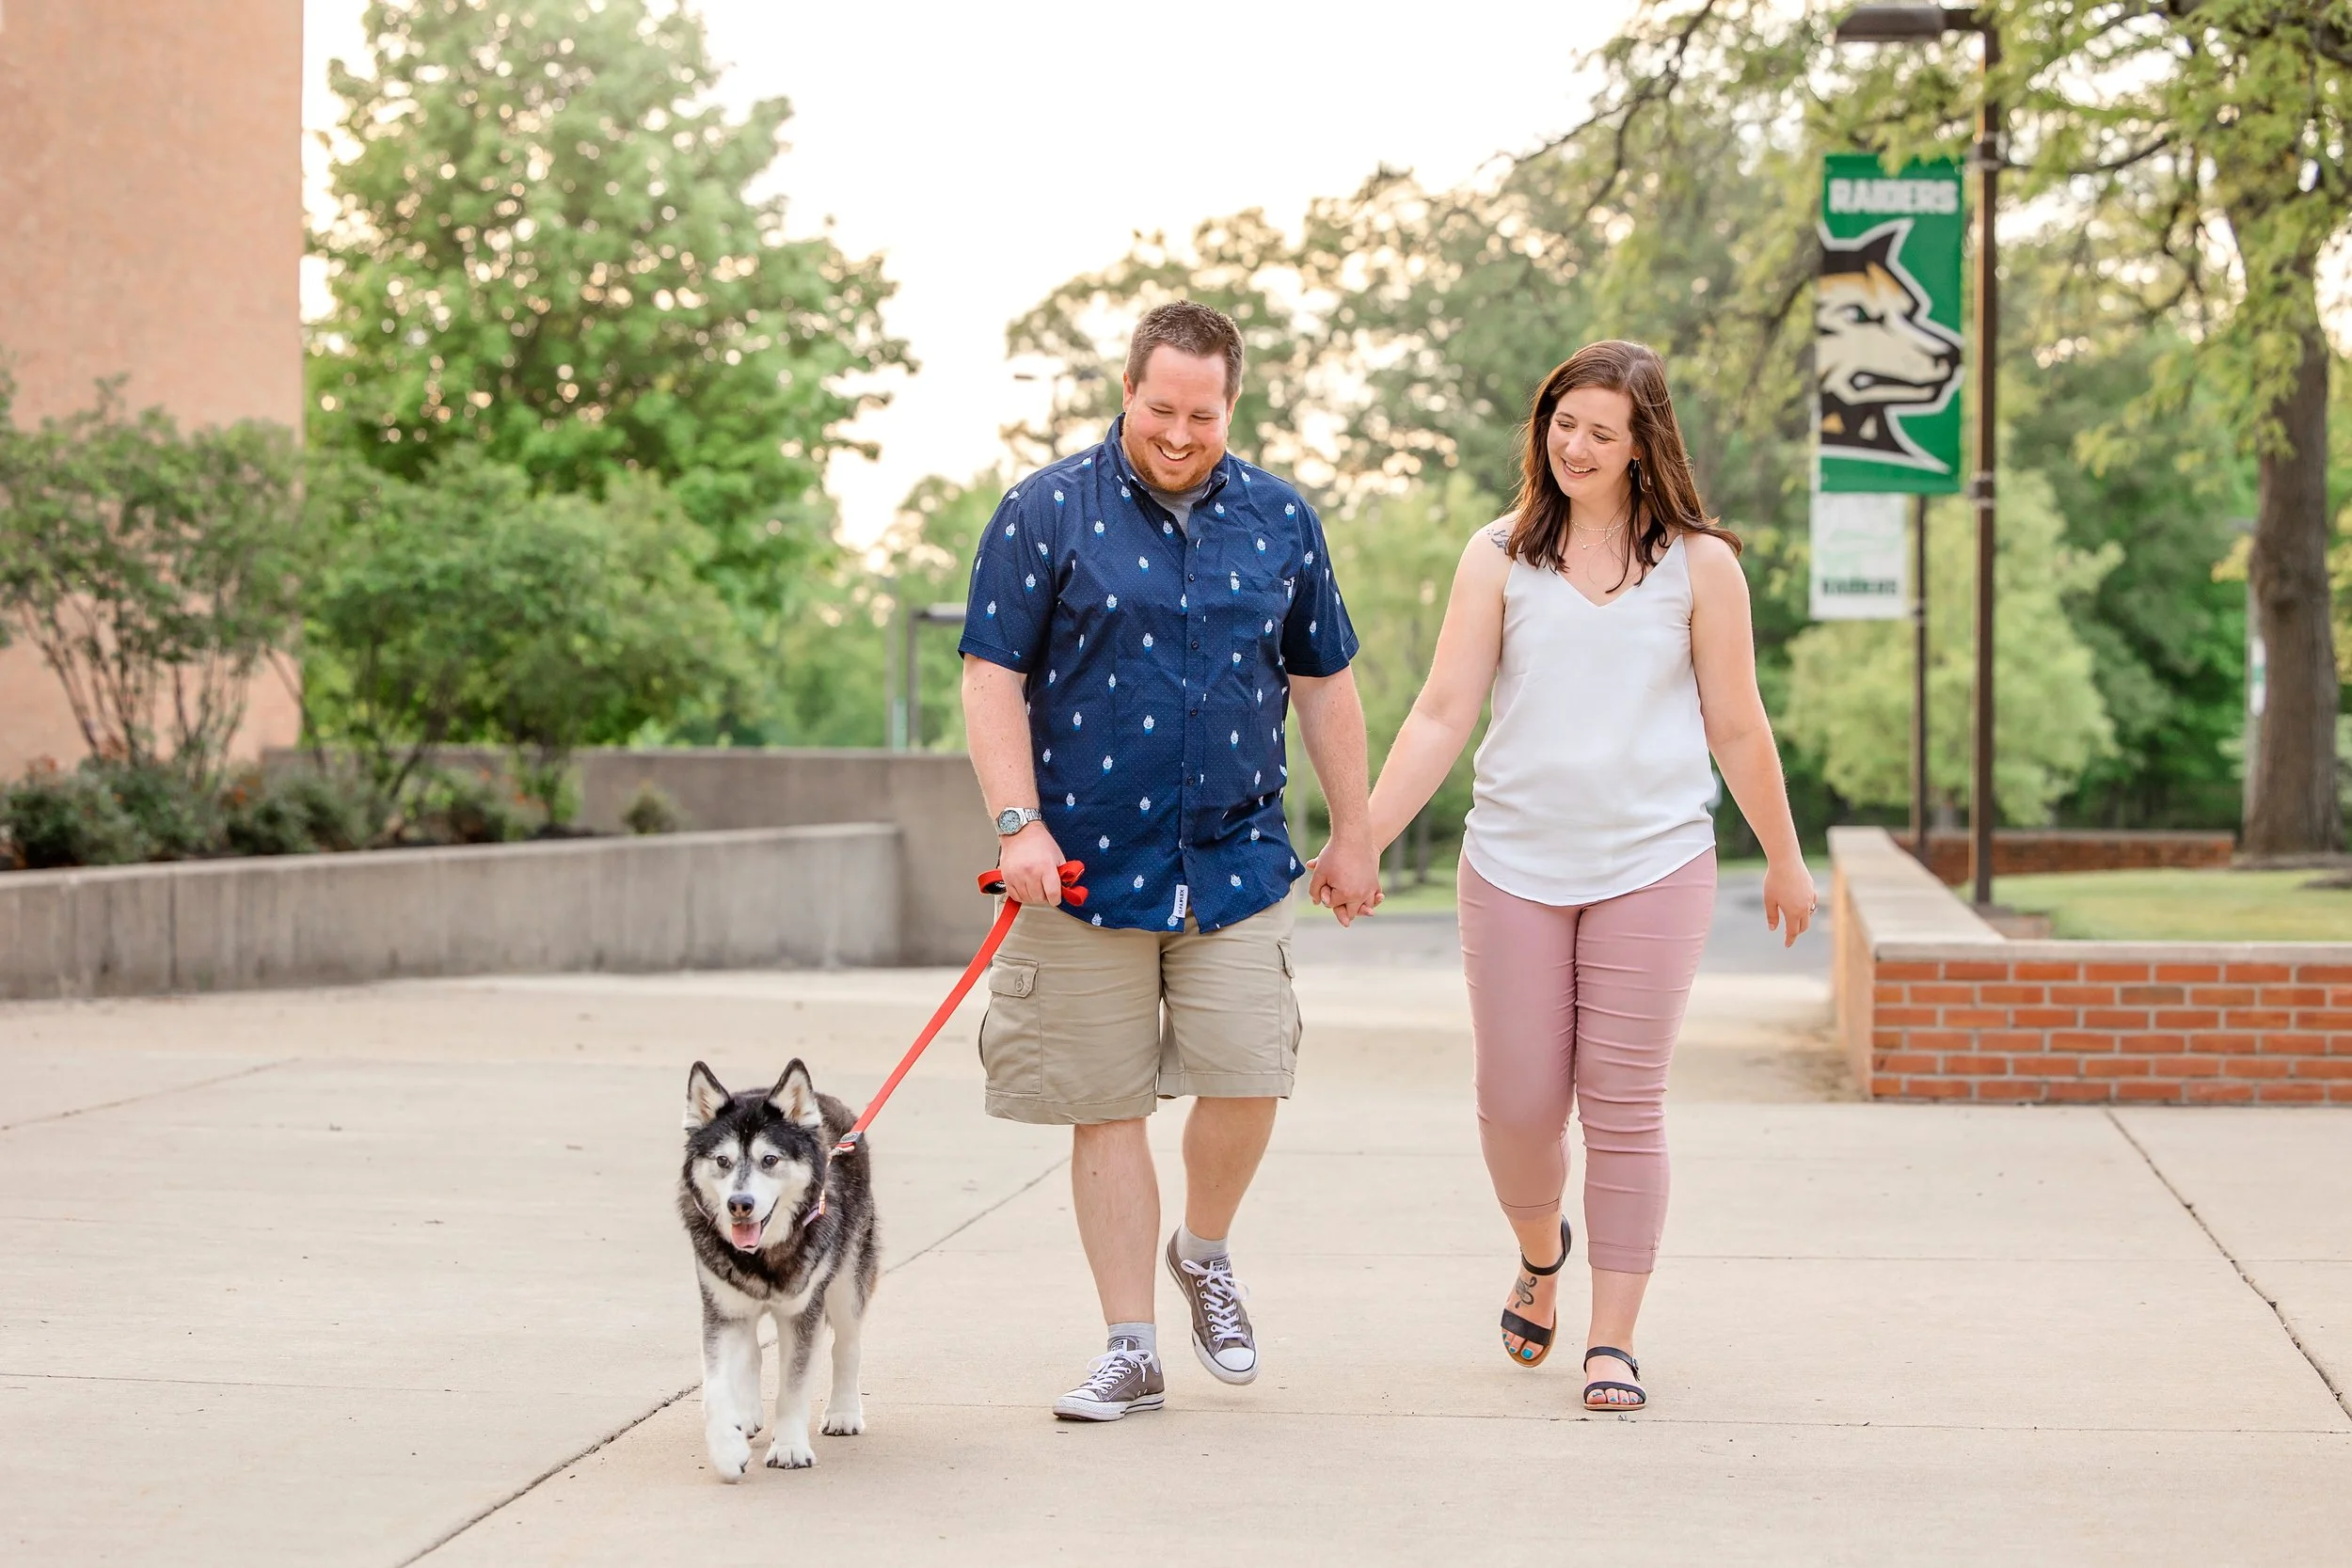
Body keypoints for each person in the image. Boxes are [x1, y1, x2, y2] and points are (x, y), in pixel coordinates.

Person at [1350, 340, 1815, 1412]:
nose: (1577, 446)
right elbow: (1438, 712)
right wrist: (1365, 835)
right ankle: (1538, 1250)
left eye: (1603, 433)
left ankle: (1614, 1338)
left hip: (1653, 862)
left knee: (1623, 1106)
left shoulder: (1702, 566)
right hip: (1512, 861)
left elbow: (1738, 726)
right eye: (1564, 423)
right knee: (1514, 1105)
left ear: (1645, 445)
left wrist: (1784, 856)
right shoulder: (1499, 553)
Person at [959, 300, 1381, 1422]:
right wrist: (1018, 824)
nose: (1180, 433)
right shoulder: (1044, 509)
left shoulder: (1282, 518)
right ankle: (1130, 1344)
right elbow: (990, 673)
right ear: (1127, 389)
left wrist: (1358, 827)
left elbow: (1323, 678)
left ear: (1230, 403)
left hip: (1237, 855)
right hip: (1082, 867)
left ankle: (1204, 1251)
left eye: (1203, 413)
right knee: (1106, 1106)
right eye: (1160, 409)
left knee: (1250, 1073)